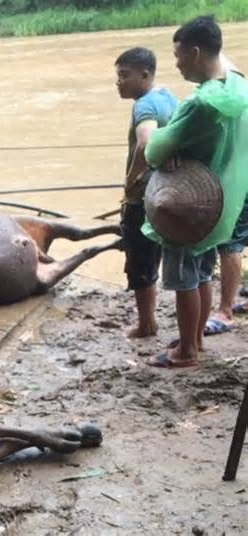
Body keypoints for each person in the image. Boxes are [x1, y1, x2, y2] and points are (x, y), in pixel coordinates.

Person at [143, 16, 248, 367]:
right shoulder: (237, 85)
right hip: (223, 206)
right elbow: (227, 63)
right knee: (202, 272)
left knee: (184, 278)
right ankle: (197, 338)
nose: (175, 63)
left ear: (197, 52)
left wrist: (163, 144)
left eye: (179, 55)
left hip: (189, 208)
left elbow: (154, 151)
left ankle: (187, 350)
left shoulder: (200, 104)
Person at [114, 47, 178, 338]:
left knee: (139, 259)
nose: (119, 82)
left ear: (145, 74)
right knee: (155, 255)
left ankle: (146, 324)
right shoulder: (166, 96)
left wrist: (132, 177)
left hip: (143, 198)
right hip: (166, 193)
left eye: (124, 76)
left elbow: (146, 141)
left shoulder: (144, 106)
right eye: (118, 76)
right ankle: (150, 319)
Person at [203, 53, 248, 333]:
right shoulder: (239, 90)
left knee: (230, 243)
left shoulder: (225, 98)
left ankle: (225, 310)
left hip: (239, 180)